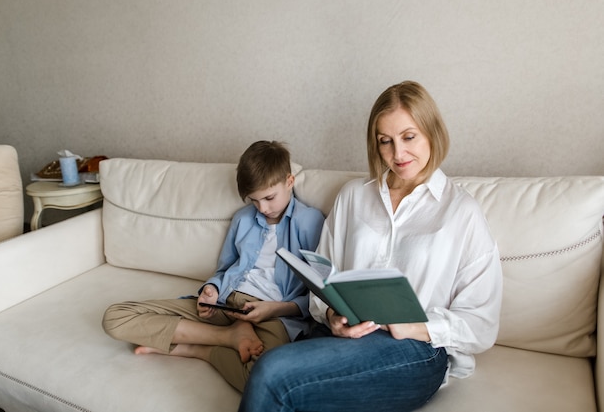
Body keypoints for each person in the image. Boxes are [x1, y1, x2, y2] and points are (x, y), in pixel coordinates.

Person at [238, 81, 503, 412]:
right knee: (280, 378)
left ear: (431, 132)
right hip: (343, 338)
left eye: (409, 137)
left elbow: (482, 324)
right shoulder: (353, 196)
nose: (398, 154)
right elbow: (323, 281)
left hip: (414, 349)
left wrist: (418, 326)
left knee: (272, 371)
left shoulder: (461, 211)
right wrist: (333, 315)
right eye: (385, 142)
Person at [102, 140, 325, 392]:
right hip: (226, 303)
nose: (262, 208)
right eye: (254, 200)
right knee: (115, 318)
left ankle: (201, 350)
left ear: (289, 181)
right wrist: (211, 289)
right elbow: (224, 268)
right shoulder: (243, 219)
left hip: (273, 314)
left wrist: (274, 309)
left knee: (264, 381)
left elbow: (320, 295)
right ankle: (228, 336)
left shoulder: (310, 222)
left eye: (269, 198)